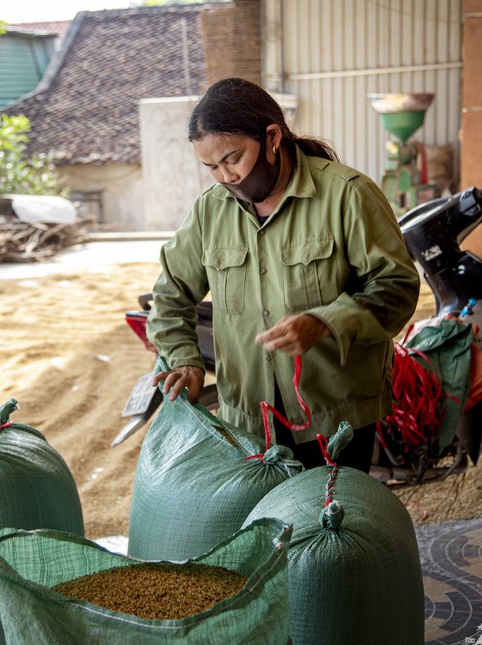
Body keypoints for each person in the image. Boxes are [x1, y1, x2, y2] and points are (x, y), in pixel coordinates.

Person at [146, 77, 421, 472]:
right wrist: (185, 358)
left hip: (336, 419)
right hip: (249, 424)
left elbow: (396, 288)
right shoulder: (210, 211)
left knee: (327, 526)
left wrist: (324, 322)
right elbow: (170, 295)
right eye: (211, 167)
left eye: (233, 158)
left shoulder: (348, 195)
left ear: (272, 137)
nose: (226, 177)